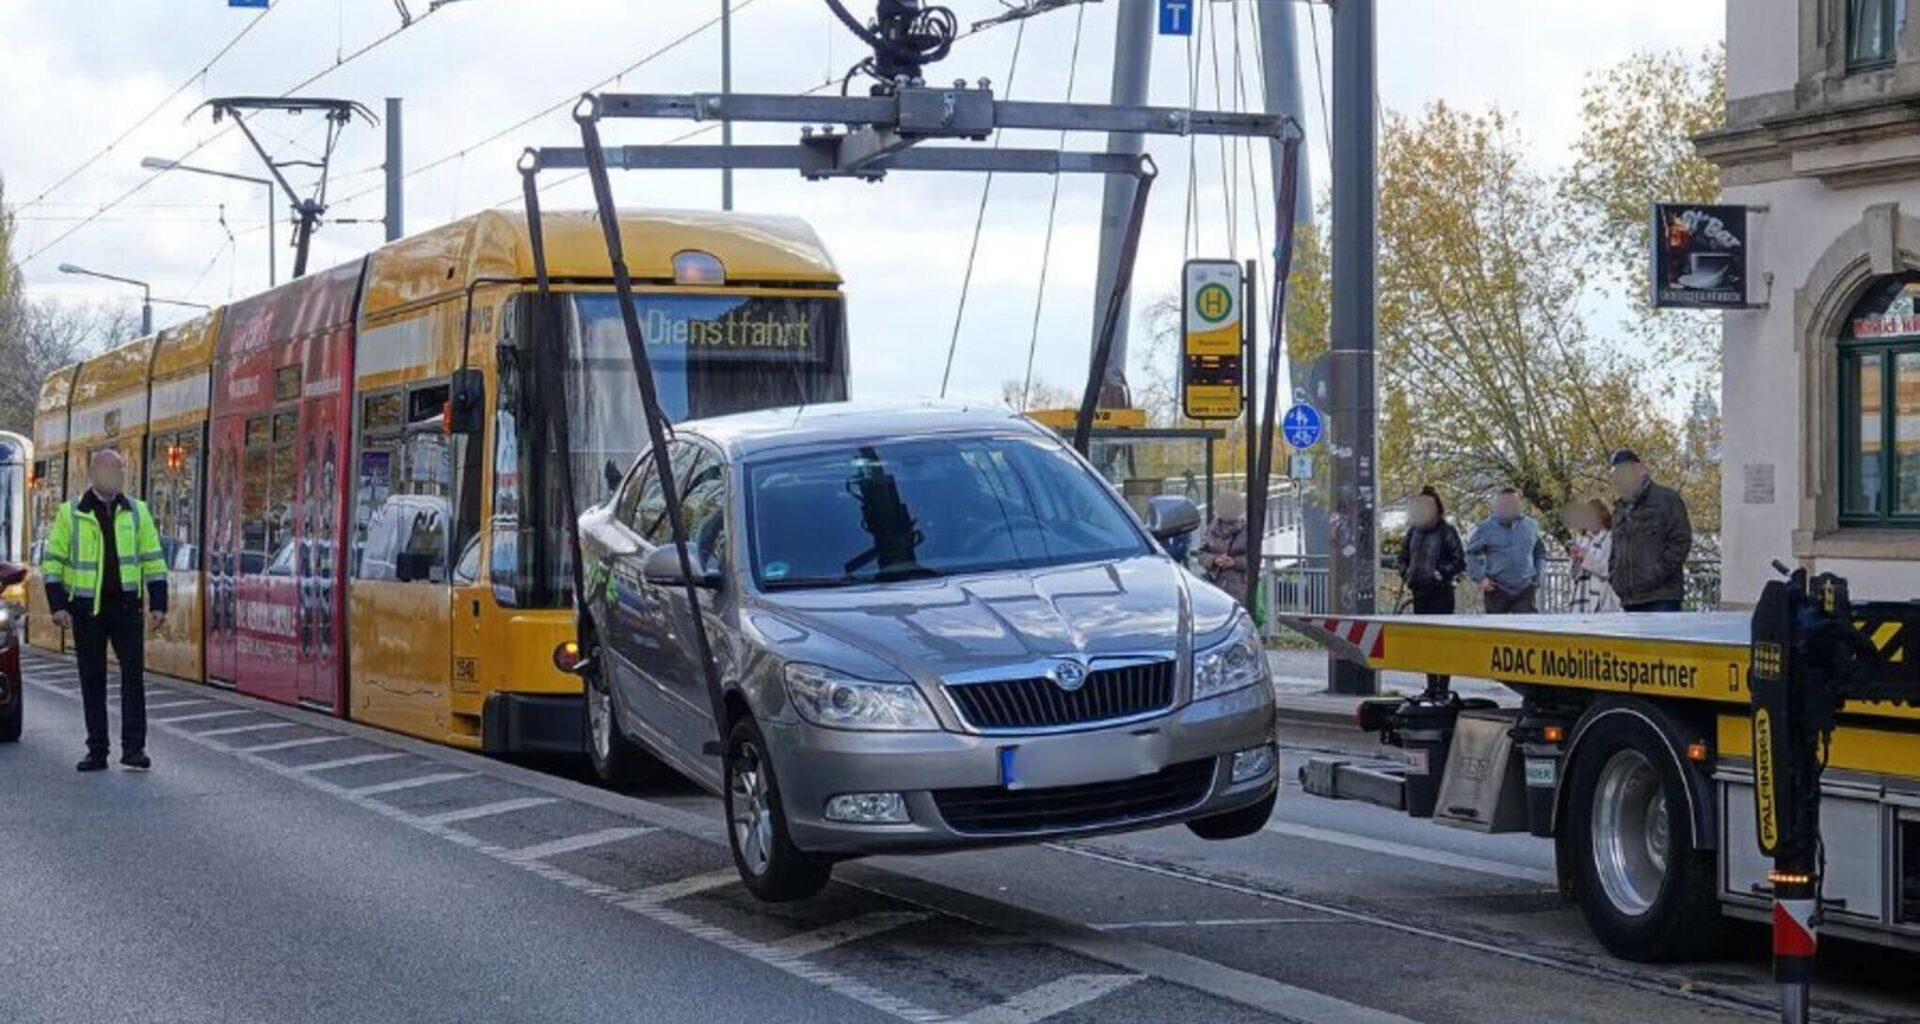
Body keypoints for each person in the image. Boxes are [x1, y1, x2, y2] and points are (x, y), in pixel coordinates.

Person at [41, 449, 168, 772]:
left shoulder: (137, 512)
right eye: (109, 469)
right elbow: (52, 562)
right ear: (94, 473)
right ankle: (97, 749)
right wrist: (58, 606)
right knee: (92, 680)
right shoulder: (71, 513)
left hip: (127, 609)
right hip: (86, 611)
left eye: (119, 469)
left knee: (133, 679)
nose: (114, 476)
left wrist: (159, 604)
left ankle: (134, 749)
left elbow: (154, 560)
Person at [1395, 486, 1465, 695]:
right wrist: (1407, 573)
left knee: (1442, 642)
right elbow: (1402, 558)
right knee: (1425, 642)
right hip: (1419, 591)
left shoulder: (1446, 531)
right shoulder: (1413, 531)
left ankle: (1442, 687)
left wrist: (1441, 573)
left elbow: (1459, 561)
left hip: (1441, 592)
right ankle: (1430, 685)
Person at [1607, 449, 1692, 612]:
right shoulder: (1619, 508)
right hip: (1629, 598)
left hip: (1661, 597)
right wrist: (1616, 578)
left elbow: (1680, 542)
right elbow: (1615, 549)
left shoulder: (1667, 499)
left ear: (1640, 470)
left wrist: (1655, 573)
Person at [1464, 487, 1547, 614]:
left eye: (1514, 503)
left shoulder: (1530, 525)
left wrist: (1538, 577)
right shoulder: (1485, 528)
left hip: (1525, 589)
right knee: (1496, 631)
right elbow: (1470, 554)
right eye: (1506, 503)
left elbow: (1540, 552)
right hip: (1496, 589)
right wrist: (1480, 578)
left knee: (1525, 630)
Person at [1197, 490, 1250, 603]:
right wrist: (1215, 560)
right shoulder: (1211, 529)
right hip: (1215, 587)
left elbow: (1255, 558)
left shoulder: (1247, 530)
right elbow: (1201, 554)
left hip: (1241, 588)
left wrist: (1234, 562)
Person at [1568, 498, 1619, 614]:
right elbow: (1574, 575)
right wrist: (1575, 560)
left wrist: (1586, 556)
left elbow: (1607, 568)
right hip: (1581, 597)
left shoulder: (1611, 538)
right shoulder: (1582, 540)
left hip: (1602, 598)